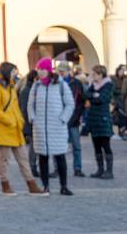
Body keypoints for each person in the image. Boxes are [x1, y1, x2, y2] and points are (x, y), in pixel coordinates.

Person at [0, 61, 44, 197]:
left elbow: (15, 106)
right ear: (7, 71)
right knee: (4, 159)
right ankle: (5, 184)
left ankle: (31, 184)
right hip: (4, 128)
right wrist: (9, 120)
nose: (15, 74)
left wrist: (19, 121)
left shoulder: (11, 86)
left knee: (23, 158)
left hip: (16, 129)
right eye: (13, 72)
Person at [28, 57, 74, 196]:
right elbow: (30, 105)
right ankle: (45, 186)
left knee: (60, 156)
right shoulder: (36, 86)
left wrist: (63, 119)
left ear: (48, 70)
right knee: (43, 157)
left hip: (57, 127)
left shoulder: (60, 85)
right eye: (38, 69)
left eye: (42, 69)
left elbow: (70, 104)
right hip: (40, 127)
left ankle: (64, 186)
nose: (40, 72)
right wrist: (33, 118)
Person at [84, 65, 114, 179]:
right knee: (96, 146)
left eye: (94, 74)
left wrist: (94, 97)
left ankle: (109, 171)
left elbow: (102, 99)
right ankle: (100, 170)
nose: (93, 76)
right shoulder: (93, 85)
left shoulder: (108, 85)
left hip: (103, 119)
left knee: (106, 145)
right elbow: (86, 95)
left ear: (101, 74)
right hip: (93, 120)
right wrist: (94, 96)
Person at [56, 61, 85, 177]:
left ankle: (77, 168)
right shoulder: (55, 83)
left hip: (73, 119)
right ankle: (58, 169)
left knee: (76, 146)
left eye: (63, 71)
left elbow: (81, 101)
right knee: (57, 146)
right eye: (59, 71)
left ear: (68, 71)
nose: (61, 73)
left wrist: (78, 116)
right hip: (59, 119)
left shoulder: (76, 83)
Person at [17, 70, 39, 177]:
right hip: (29, 122)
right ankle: (32, 166)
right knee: (33, 146)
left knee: (34, 146)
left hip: (31, 122)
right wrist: (30, 121)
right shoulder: (27, 90)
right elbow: (25, 109)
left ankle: (33, 165)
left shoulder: (31, 89)